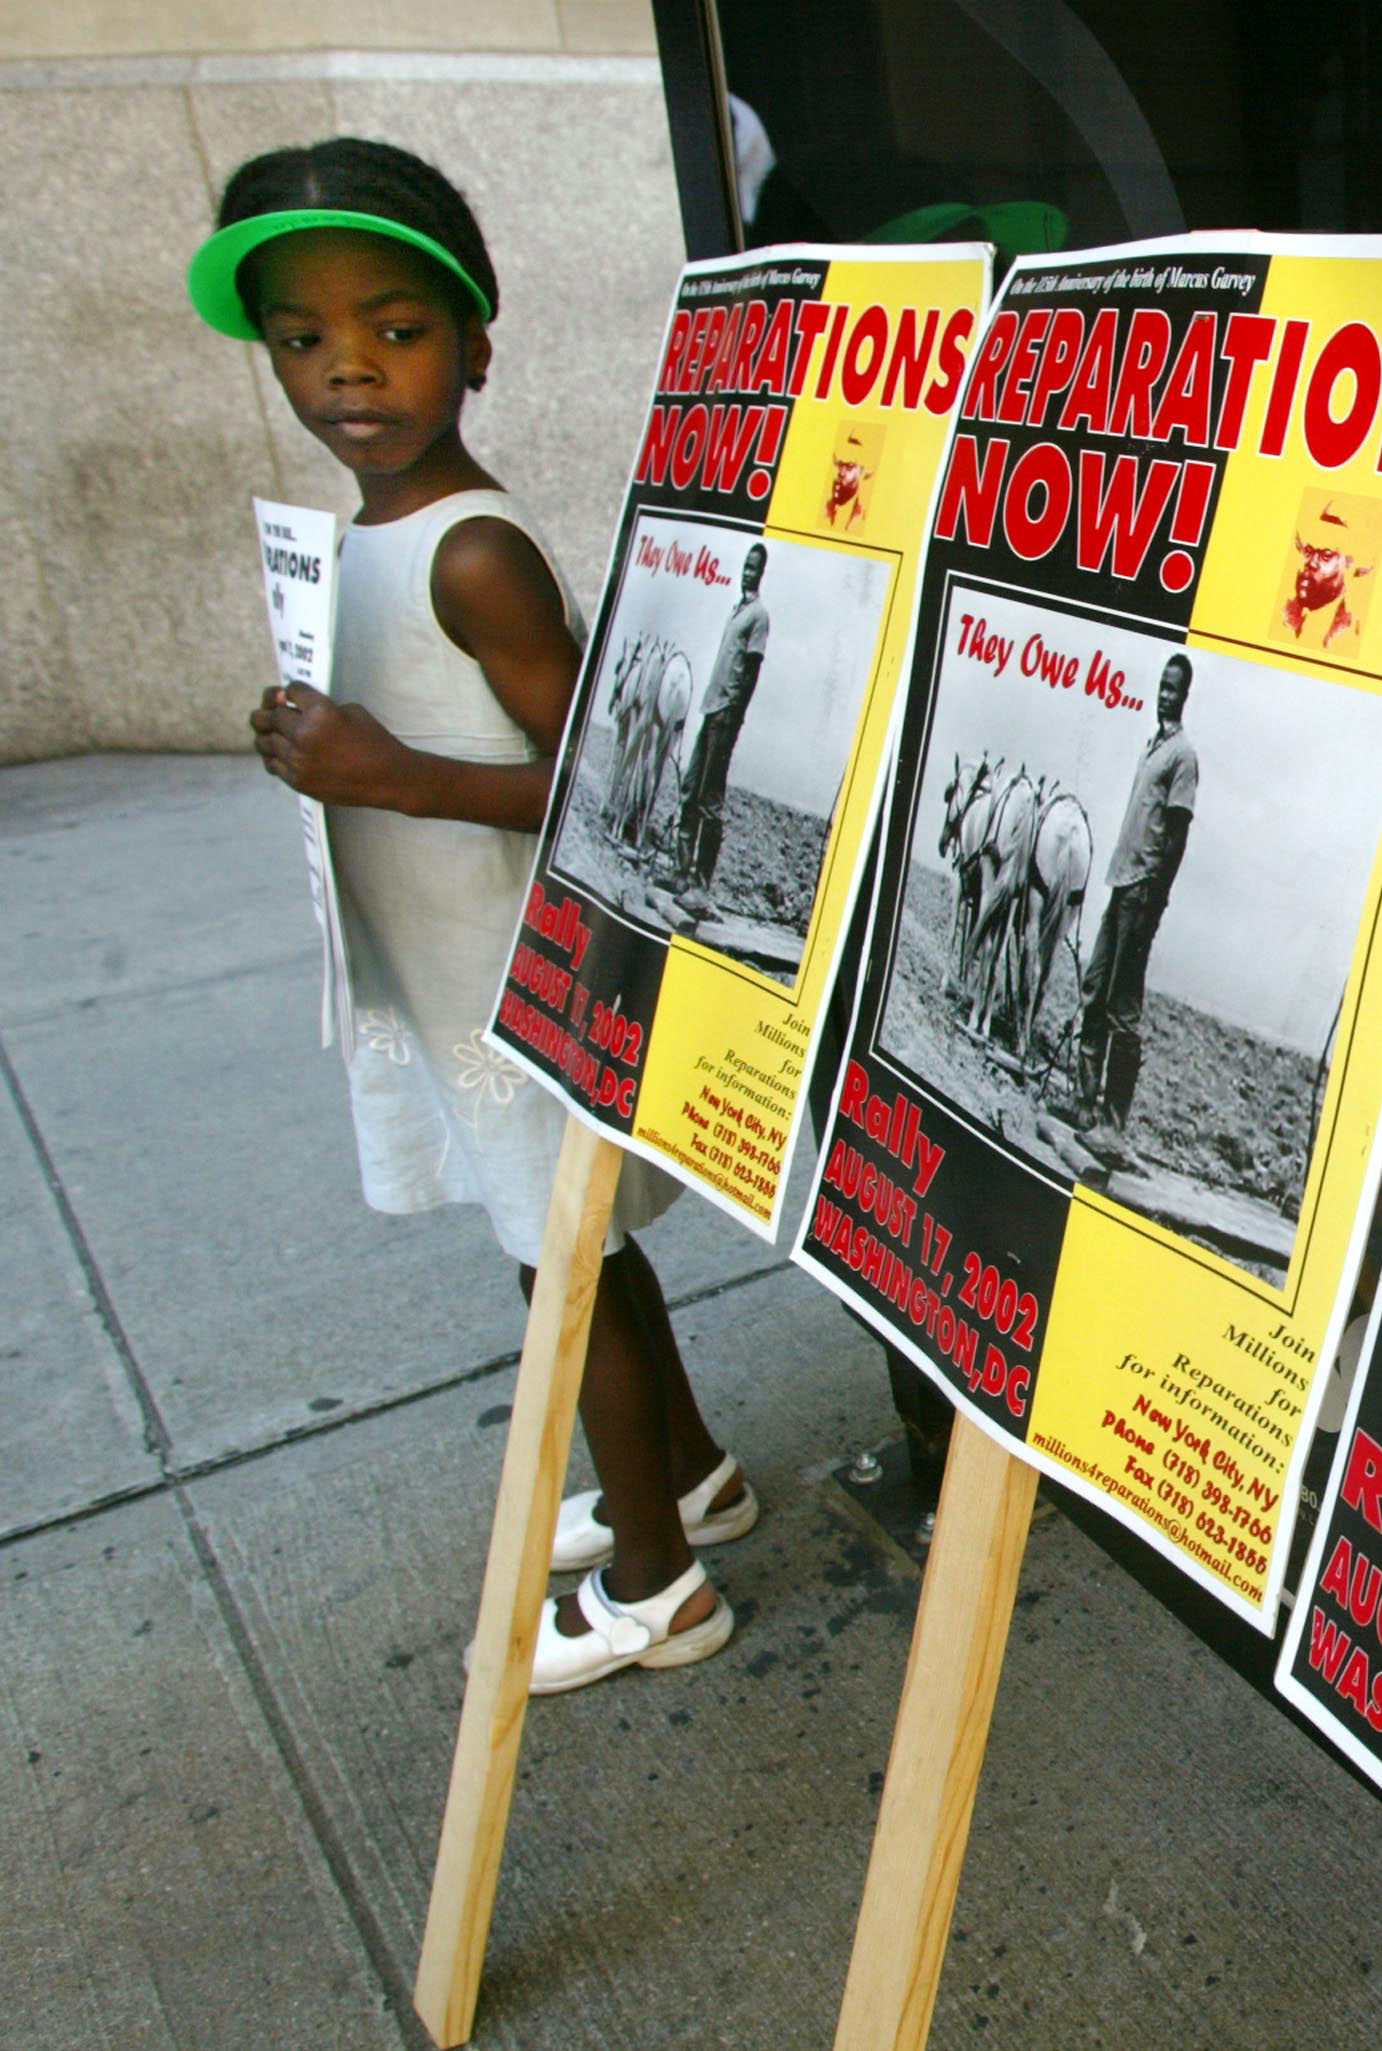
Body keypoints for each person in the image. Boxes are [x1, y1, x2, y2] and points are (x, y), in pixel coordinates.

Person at [201, 138, 755, 1693]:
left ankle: (660, 1583)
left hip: (523, 982)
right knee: (563, 1252)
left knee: (561, 1265)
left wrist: (391, 769)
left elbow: (612, 788)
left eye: (395, 327)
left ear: (477, 344)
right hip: (447, 969)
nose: (348, 370)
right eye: (302, 339)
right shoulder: (362, 540)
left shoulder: (476, 551)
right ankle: (693, 1471)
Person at [1069, 652, 1198, 1154]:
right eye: (1161, 686)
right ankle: (1083, 1103)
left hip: (1142, 892)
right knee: (1095, 987)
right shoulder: (1154, 748)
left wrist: (1155, 903)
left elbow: (1177, 837)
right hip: (1121, 883)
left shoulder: (1183, 756)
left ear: (1184, 697)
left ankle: (1112, 1127)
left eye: (1173, 689)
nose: (1164, 695)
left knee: (1123, 1008)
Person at [669, 538, 771, 922]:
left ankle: (700, 886)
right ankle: (680, 875)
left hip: (726, 715)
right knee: (690, 788)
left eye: (754, 568)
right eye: (745, 565)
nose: (747, 572)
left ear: (761, 574)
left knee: (710, 802)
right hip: (711, 709)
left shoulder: (759, 616)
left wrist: (736, 715)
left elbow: (752, 672)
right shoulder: (737, 611)